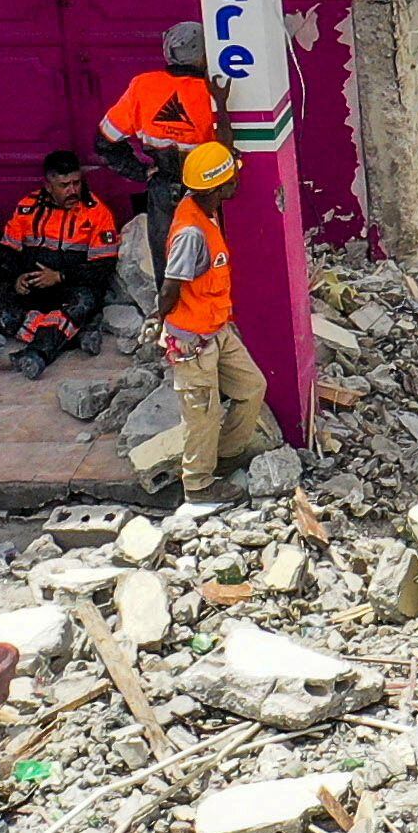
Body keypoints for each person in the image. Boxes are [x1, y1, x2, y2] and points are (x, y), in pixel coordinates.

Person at [152, 140, 279, 501]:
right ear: (220, 188)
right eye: (231, 178)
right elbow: (170, 287)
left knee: (252, 387)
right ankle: (198, 484)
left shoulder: (202, 208)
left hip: (215, 328)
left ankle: (223, 456)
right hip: (192, 340)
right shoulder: (192, 233)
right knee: (202, 414)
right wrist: (156, 319)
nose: (237, 182)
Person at [0, 153, 119, 378]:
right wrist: (18, 277)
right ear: (48, 186)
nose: (72, 191)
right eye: (64, 185)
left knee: (83, 302)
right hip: (36, 286)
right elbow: (6, 253)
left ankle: (37, 353)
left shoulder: (97, 212)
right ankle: (75, 335)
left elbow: (103, 269)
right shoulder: (28, 206)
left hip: (73, 286)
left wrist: (60, 276)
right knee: (1, 311)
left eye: (76, 183)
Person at [93, 25, 223, 193]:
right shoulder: (213, 90)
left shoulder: (143, 86)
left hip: (162, 191)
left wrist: (141, 172)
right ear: (204, 55)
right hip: (207, 189)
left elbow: (104, 141)